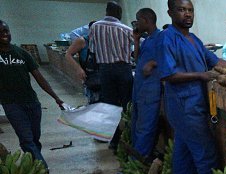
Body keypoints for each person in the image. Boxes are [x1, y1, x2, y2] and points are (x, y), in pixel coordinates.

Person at [159, 0, 226, 174]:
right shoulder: (167, 38)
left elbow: (215, 61)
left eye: (190, 10)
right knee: (207, 154)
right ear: (170, 12)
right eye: (181, 10)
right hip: (184, 106)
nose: (187, 14)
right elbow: (168, 74)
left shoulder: (194, 39)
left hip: (195, 104)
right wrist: (201, 75)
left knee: (183, 153)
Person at [0, 20, 65, 168]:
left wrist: (56, 98)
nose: (5, 34)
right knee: (26, 139)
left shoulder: (22, 53)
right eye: (1, 32)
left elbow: (40, 78)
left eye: (6, 31)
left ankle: (34, 163)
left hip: (31, 102)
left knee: (35, 139)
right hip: (12, 105)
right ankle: (42, 168)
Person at [89, 1, 133, 150]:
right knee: (128, 106)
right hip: (123, 69)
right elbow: (139, 46)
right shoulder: (126, 29)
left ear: (106, 11)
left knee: (111, 107)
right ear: (119, 14)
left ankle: (114, 141)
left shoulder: (95, 27)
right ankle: (130, 139)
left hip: (105, 70)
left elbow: (93, 49)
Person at [131, 8, 162, 161]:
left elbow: (172, 58)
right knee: (137, 125)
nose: (136, 23)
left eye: (137, 20)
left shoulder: (161, 38)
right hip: (140, 88)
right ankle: (134, 159)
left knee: (146, 128)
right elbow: (137, 61)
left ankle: (138, 161)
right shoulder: (147, 39)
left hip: (150, 90)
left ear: (145, 20)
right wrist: (136, 41)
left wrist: (154, 63)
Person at [64, 21, 99, 104]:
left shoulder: (102, 41)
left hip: (102, 75)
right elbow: (68, 55)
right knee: (93, 102)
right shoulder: (82, 41)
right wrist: (78, 69)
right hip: (90, 76)